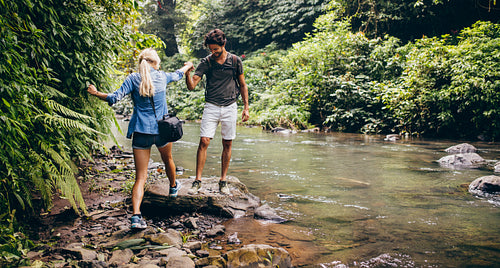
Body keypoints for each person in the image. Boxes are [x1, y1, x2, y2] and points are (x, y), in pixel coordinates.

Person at [87, 48, 193, 229]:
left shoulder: (132, 79)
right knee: (167, 159)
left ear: (141, 62)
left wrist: (95, 93)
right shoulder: (162, 77)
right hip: (162, 130)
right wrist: (189, 66)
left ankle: (136, 217)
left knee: (141, 177)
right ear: (156, 62)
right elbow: (178, 75)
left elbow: (114, 98)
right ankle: (173, 187)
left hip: (141, 132)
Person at [185, 29, 249, 195]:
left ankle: (223, 181)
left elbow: (242, 85)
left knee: (227, 143)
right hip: (211, 106)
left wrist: (246, 107)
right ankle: (197, 181)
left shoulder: (235, 61)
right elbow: (192, 85)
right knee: (204, 141)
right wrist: (187, 73)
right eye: (210, 49)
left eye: (216, 49)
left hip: (230, 106)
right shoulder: (206, 62)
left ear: (223, 44)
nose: (213, 52)